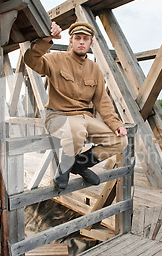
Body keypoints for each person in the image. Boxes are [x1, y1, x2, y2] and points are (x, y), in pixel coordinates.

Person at [24, 21, 127, 190]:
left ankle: (79, 165)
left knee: (120, 141)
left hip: (85, 117)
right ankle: (63, 169)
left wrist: (116, 124)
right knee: (77, 129)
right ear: (70, 41)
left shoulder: (94, 69)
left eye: (85, 39)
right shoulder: (55, 59)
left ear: (90, 43)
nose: (81, 42)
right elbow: (31, 60)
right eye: (77, 38)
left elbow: (102, 100)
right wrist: (47, 39)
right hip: (57, 116)